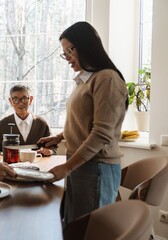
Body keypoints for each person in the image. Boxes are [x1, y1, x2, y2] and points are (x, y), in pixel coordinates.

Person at [39, 22, 128, 227]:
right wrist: (60, 137)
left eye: (70, 50)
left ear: (86, 45)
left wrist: (67, 168)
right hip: (82, 163)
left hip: (96, 166)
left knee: (90, 231)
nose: (67, 57)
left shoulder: (107, 79)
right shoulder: (85, 79)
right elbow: (83, 118)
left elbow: (101, 133)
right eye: (64, 52)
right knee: (75, 226)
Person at [0, 85, 53, 156]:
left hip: (37, 164)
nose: (20, 103)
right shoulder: (2, 124)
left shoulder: (42, 124)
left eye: (24, 98)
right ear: (11, 101)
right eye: (15, 99)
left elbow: (53, 148)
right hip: (10, 165)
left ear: (31, 100)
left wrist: (49, 151)